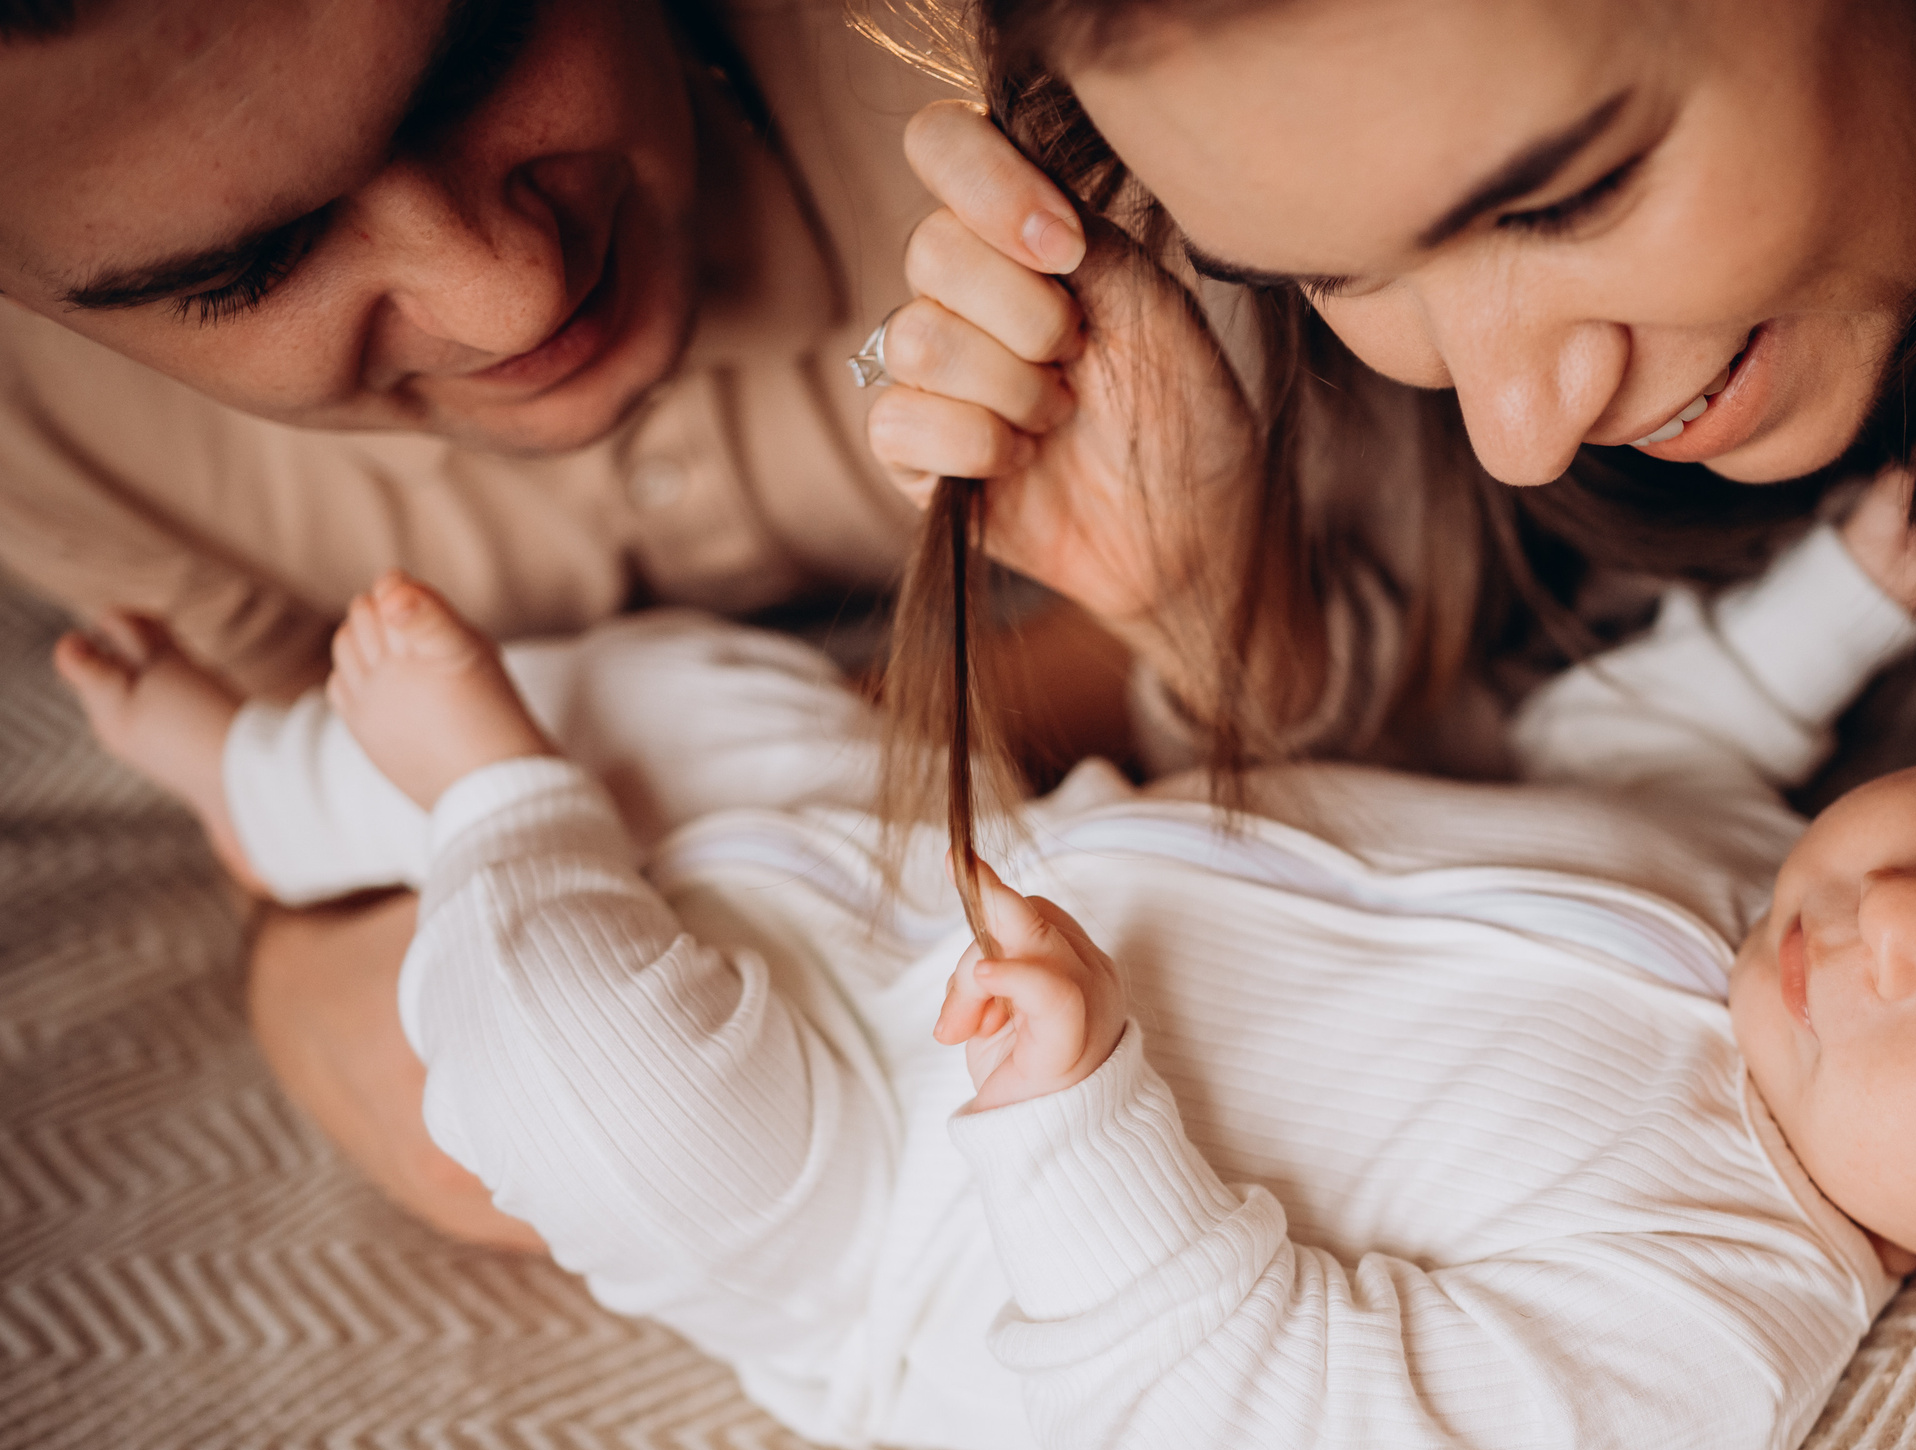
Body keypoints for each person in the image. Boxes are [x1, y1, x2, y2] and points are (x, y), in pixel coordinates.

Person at [50, 531, 1916, 1450]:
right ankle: (272, 783)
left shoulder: (1706, 1321)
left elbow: (1309, 1427)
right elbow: (1629, 750)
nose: (1890, 915)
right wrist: (1832, 601)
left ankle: (475, 806)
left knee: (601, 1091)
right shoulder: (1749, 897)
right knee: (703, 695)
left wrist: (1083, 1113)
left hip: (886, 1187)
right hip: (938, 848)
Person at [861, 0, 1916, 1404]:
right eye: (1332, 276)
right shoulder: (1191, 188)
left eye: (1566, 194)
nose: (1516, 425)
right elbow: (1461, 775)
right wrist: (1206, 611)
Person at [0, 0, 1126, 1246]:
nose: (512, 296)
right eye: (251, 269)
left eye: (480, 59)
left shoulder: (1024, 60)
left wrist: (691, 770)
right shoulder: (39, 429)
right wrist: (303, 974)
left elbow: (1301, 606)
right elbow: (302, 798)